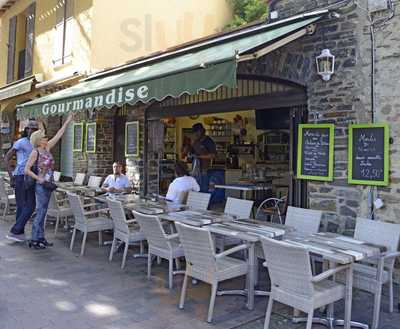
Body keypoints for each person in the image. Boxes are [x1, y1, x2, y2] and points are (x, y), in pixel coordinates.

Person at [25, 113, 74, 249]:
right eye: (44, 137)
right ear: (39, 140)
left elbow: (59, 134)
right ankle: (35, 239)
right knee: (40, 211)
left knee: (44, 211)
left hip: (49, 184)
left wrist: (68, 121)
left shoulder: (47, 148)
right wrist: (38, 178)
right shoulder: (36, 152)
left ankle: (40, 237)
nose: (47, 138)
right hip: (41, 185)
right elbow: (27, 169)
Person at [5, 120, 39, 242]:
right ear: (26, 130)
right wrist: (11, 176)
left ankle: (18, 232)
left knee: (27, 205)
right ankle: (17, 231)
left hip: (30, 176)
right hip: (20, 176)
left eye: (35, 129)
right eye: (30, 128)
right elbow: (7, 158)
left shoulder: (37, 144)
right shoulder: (21, 142)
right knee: (24, 205)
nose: (32, 131)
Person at [189, 123, 216, 192]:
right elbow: (190, 153)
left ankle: (204, 202)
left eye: (196, 132)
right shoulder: (195, 141)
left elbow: (213, 155)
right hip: (195, 170)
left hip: (205, 170)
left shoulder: (208, 141)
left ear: (201, 131)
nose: (195, 134)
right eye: (194, 133)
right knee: (195, 189)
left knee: (203, 189)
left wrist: (199, 156)